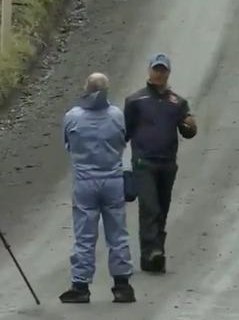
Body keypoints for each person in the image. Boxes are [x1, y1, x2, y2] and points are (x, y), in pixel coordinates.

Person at [60, 72, 136, 304]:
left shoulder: (72, 117)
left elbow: (67, 144)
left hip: (85, 181)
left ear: (86, 88)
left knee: (84, 235)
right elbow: (123, 140)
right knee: (117, 234)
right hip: (113, 178)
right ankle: (122, 284)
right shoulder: (116, 115)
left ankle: (81, 285)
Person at [124, 53, 197, 273]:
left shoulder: (177, 102)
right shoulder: (135, 101)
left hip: (167, 162)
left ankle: (156, 254)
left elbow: (189, 131)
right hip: (143, 161)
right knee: (150, 207)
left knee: (162, 208)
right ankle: (150, 250)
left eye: (162, 70)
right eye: (156, 69)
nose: (159, 73)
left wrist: (190, 127)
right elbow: (124, 133)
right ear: (149, 71)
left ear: (168, 72)